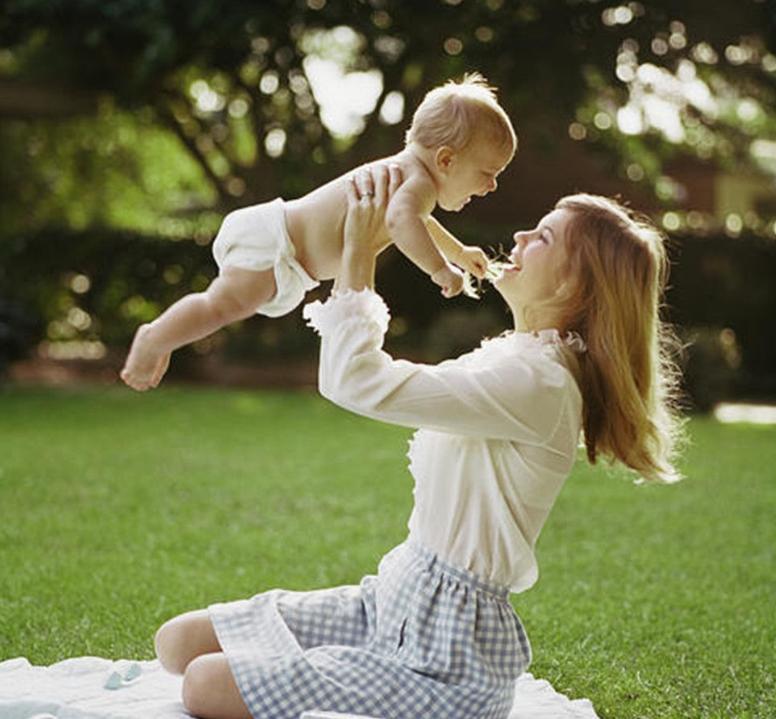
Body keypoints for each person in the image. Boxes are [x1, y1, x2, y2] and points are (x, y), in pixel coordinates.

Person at [153, 165, 685, 719]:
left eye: (543, 237)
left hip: (445, 658)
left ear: (572, 285)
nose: (521, 236)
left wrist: (359, 252)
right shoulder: (515, 355)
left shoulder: (540, 383)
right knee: (178, 643)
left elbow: (355, 381)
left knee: (204, 685)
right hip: (390, 600)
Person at [120, 73, 516, 391]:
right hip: (278, 242)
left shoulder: (411, 185)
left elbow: (417, 221)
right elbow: (403, 223)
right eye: (488, 173)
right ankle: (154, 338)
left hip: (288, 256)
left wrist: (458, 252)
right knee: (222, 306)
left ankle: (165, 336)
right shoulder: (416, 183)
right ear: (445, 160)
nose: (493, 186)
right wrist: (439, 269)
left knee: (223, 306)